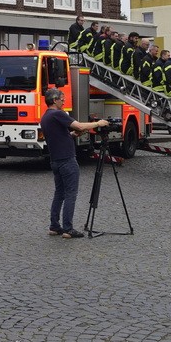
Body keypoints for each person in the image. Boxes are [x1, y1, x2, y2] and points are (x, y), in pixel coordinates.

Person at [40, 88, 110, 238]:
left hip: (55, 160)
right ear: (54, 100)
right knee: (71, 194)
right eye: (62, 98)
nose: (64, 101)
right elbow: (79, 125)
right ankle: (68, 228)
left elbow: (60, 136)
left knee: (59, 193)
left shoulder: (45, 116)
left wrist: (72, 135)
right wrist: (98, 123)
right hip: (67, 160)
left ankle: (54, 226)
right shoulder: (57, 114)